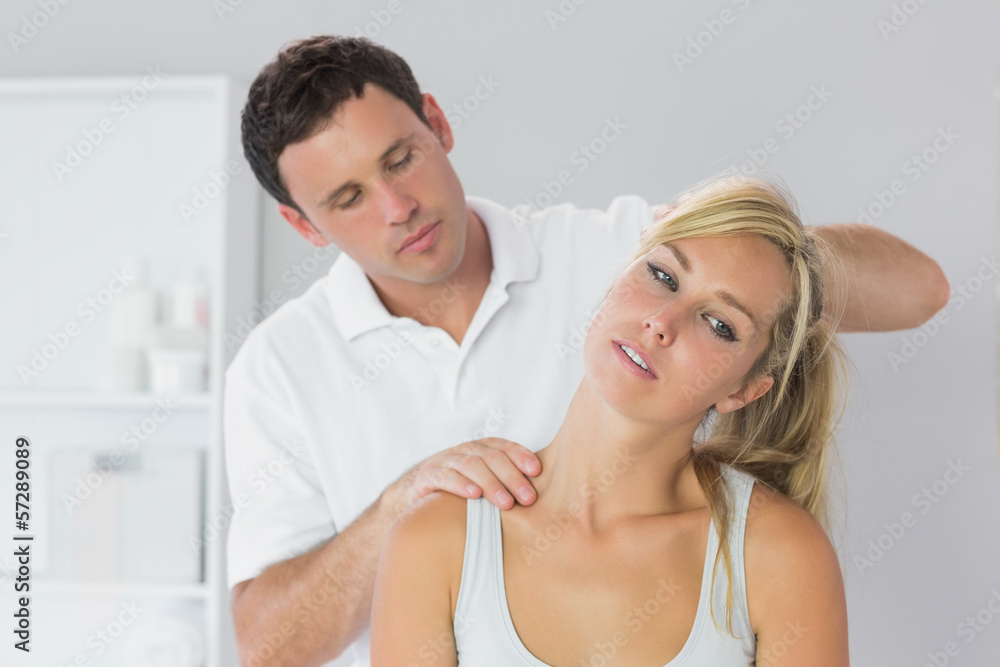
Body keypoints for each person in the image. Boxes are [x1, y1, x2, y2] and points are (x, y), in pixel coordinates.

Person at [224, 35, 947, 667]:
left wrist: (737, 250)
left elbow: (921, 290)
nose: (397, 206)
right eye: (348, 197)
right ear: (304, 225)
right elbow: (267, 649)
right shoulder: (279, 371)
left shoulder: (620, 253)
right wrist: (396, 509)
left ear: (438, 124)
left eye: (401, 158)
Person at [370, 173, 850, 665]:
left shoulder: (778, 556)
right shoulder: (434, 541)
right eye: (663, 276)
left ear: (743, 389)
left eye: (718, 324)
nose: (661, 323)